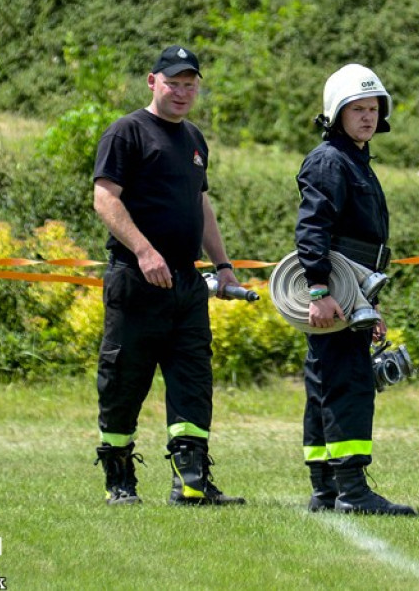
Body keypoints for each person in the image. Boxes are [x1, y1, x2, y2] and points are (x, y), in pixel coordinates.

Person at [91, 44, 245, 507]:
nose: (181, 92)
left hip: (187, 284)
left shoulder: (194, 138)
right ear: (152, 82)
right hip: (136, 280)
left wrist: (223, 267)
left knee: (193, 383)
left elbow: (201, 205)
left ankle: (192, 482)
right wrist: (144, 252)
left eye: (189, 85)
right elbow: (105, 198)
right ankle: (120, 482)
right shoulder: (126, 132)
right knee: (123, 381)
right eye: (173, 83)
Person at [294, 64, 415, 516]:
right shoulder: (330, 161)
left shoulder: (354, 160)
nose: (367, 117)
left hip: (353, 293)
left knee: (327, 383)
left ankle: (326, 488)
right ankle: (352, 491)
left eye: (373, 109)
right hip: (336, 293)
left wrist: (368, 305)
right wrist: (318, 290)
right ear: (336, 113)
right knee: (349, 384)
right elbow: (313, 230)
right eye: (356, 109)